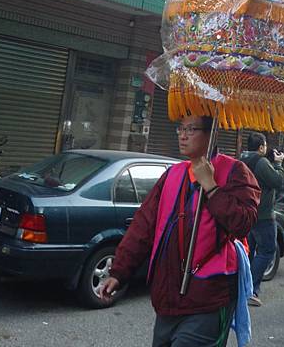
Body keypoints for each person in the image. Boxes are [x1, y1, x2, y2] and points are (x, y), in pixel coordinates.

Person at [100, 115, 260, 347]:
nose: (183, 135)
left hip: (208, 298)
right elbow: (143, 226)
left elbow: (243, 223)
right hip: (168, 296)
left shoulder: (235, 172)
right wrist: (118, 272)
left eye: (191, 129)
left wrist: (212, 188)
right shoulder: (173, 175)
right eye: (181, 129)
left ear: (210, 133)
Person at [240, 132, 284, 306]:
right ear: (261, 147)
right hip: (263, 215)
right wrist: (279, 164)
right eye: (265, 146)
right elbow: (277, 181)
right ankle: (250, 290)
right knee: (267, 250)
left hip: (247, 213)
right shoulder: (261, 162)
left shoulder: (242, 159)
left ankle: (245, 288)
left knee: (249, 251)